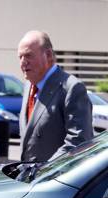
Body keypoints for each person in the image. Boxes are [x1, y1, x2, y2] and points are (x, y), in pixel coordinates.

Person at [18, 30, 93, 162]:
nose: (23, 62)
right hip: (28, 178)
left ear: (48, 55)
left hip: (54, 179)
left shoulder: (72, 88)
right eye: (20, 57)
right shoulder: (28, 86)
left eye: (28, 55)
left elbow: (79, 143)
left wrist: (45, 171)